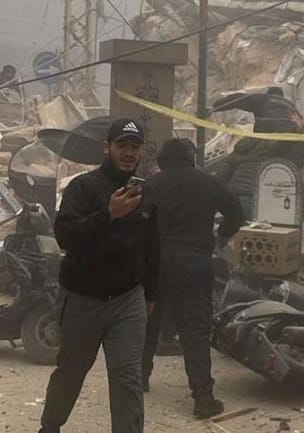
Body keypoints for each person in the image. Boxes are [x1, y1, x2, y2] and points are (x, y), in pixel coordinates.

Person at [38, 119, 159, 433]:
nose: (129, 153)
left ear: (141, 151)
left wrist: (151, 293)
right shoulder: (83, 187)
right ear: (107, 148)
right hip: (82, 298)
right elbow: (66, 236)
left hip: (127, 300)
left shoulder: (147, 192)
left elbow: (152, 246)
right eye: (122, 145)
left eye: (134, 147)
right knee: (71, 372)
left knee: (128, 377)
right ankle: (50, 426)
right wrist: (109, 215)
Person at [142, 138, 244, 419]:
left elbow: (136, 221)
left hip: (155, 263)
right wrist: (223, 235)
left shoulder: (152, 185)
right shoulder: (207, 182)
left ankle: (139, 378)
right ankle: (203, 398)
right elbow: (236, 211)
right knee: (195, 330)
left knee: (148, 322)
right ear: (190, 157)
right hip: (194, 263)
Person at [211, 87, 304, 218]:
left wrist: (215, 107)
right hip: (260, 193)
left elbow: (239, 99)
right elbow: (299, 156)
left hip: (233, 192)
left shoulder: (263, 100)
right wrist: (300, 132)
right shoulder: (292, 109)